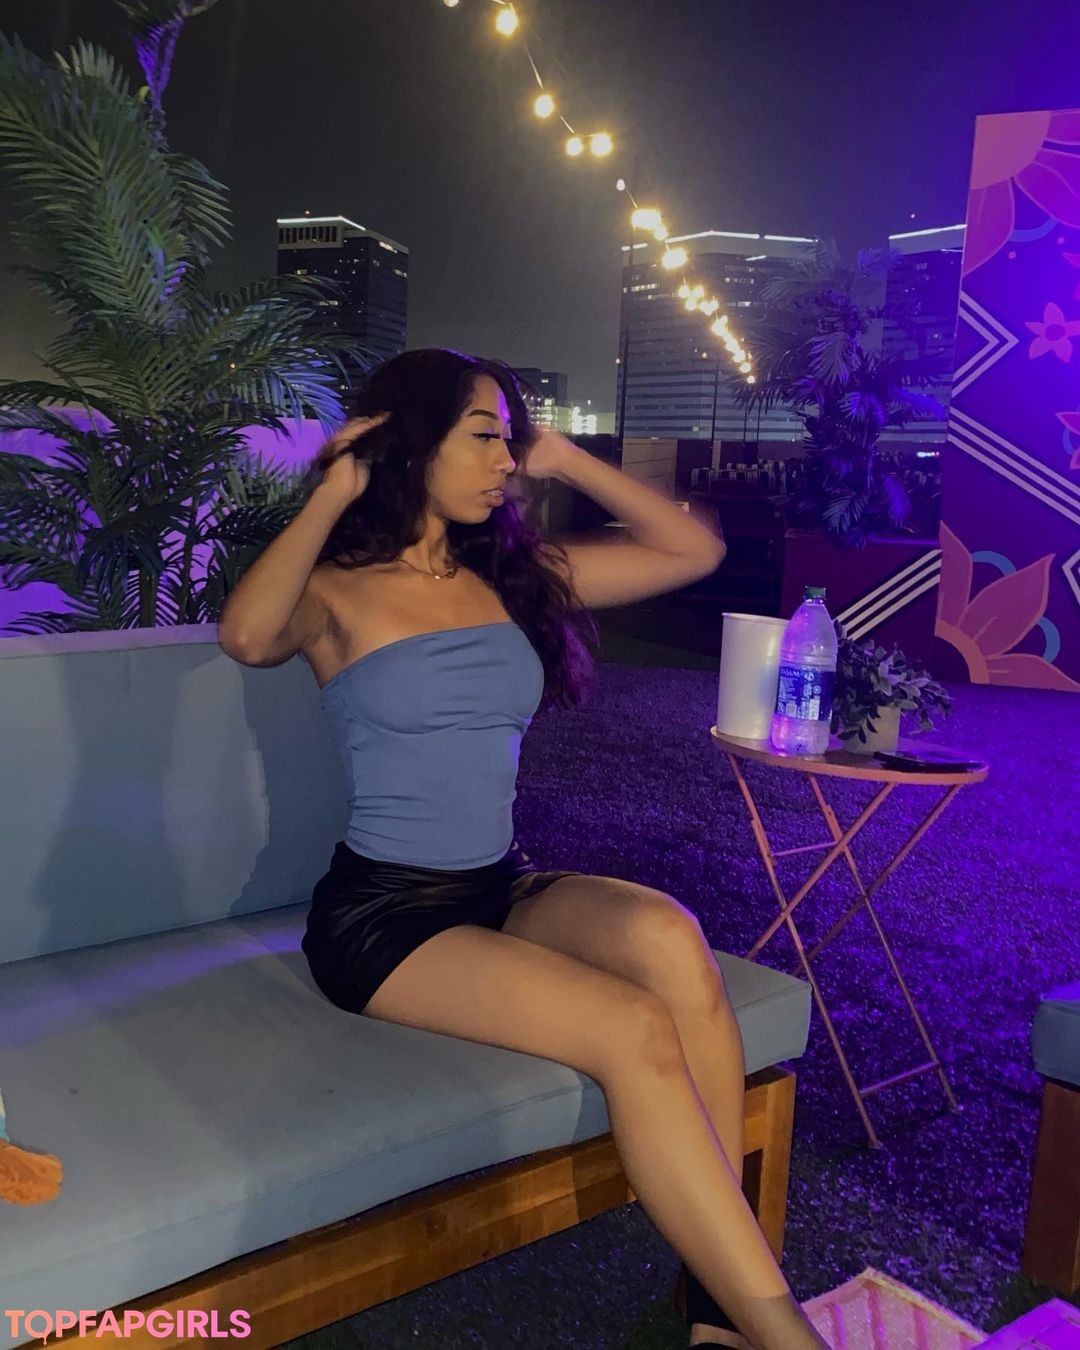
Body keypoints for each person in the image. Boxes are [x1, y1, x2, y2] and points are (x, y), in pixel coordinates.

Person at [218, 348, 828, 1350]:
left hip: (496, 886)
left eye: (510, 437)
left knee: (671, 938)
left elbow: (690, 550)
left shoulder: (510, 576)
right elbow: (246, 636)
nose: (505, 459)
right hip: (385, 918)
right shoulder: (335, 592)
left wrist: (564, 458)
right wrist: (334, 490)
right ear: (411, 443)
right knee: (633, 1026)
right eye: (484, 436)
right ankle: (788, 1337)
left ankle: (718, 1315)